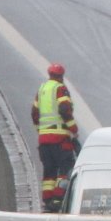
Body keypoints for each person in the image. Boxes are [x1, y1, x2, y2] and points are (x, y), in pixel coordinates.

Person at [31, 62, 80, 213]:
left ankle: (47, 201)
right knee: (65, 169)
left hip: (44, 139)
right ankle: (58, 199)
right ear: (61, 76)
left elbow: (34, 113)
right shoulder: (60, 88)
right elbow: (64, 109)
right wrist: (73, 129)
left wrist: (41, 130)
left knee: (49, 172)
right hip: (60, 138)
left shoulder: (41, 89)